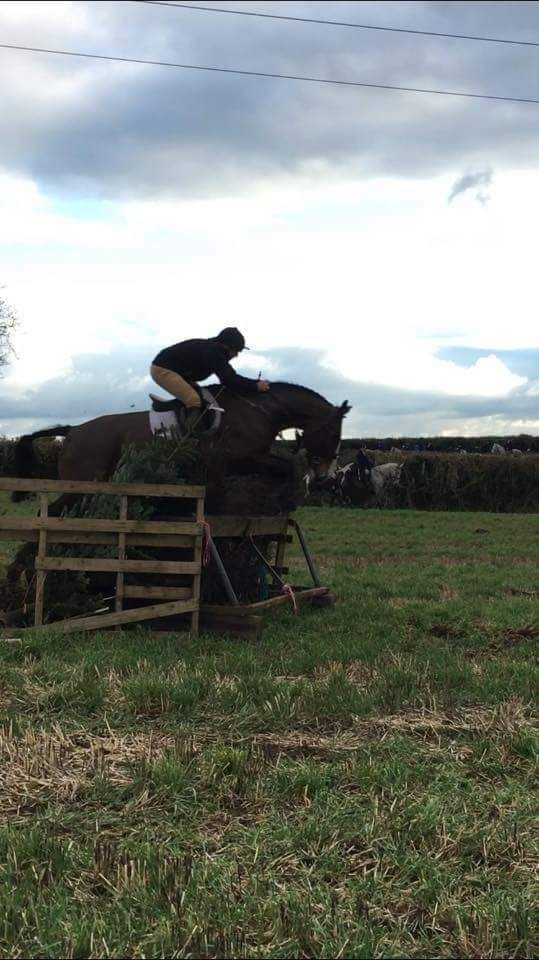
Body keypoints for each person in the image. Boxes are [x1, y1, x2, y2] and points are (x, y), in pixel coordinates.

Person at [150, 327, 270, 424]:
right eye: (236, 350)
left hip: (180, 372)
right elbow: (229, 379)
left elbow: (230, 377)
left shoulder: (214, 349)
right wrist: (255, 386)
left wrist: (255, 383)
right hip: (162, 370)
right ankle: (188, 438)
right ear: (226, 346)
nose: (236, 354)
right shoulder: (213, 353)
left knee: (202, 396)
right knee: (194, 400)